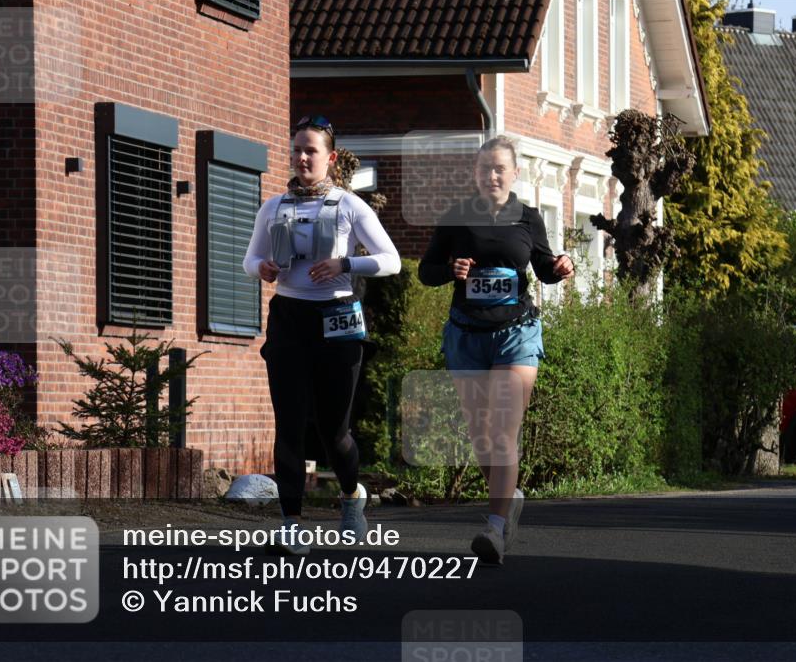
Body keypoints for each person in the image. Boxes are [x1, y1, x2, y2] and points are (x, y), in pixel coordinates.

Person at [244, 115, 401, 555]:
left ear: (330, 158)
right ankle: (291, 525)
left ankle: (352, 497)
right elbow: (249, 259)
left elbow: (391, 260)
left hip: (338, 321)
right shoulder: (273, 206)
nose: (301, 157)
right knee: (289, 425)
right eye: (296, 148)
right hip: (290, 319)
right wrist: (263, 268)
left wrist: (345, 264)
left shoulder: (350, 205)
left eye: (310, 150)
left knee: (335, 432)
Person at [418, 136, 574, 565]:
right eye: (485, 168)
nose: (492, 176)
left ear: (514, 174)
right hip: (466, 334)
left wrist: (561, 266)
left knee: (503, 428)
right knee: (481, 435)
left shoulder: (527, 218)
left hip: (516, 333)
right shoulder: (456, 218)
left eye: (500, 169)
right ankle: (510, 495)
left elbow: (543, 267)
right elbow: (425, 272)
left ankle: (495, 528)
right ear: (475, 173)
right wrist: (451, 269)